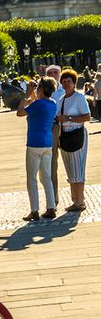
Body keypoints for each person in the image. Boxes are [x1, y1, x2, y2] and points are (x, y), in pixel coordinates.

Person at [16, 77, 58, 221]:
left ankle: (34, 210)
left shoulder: (38, 104)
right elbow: (37, 102)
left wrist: (27, 95)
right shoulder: (52, 103)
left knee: (32, 178)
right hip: (47, 144)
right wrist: (34, 93)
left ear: (41, 89)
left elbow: (20, 112)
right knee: (46, 177)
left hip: (34, 144)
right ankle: (51, 207)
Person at [57, 68, 91, 212]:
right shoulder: (61, 99)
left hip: (77, 134)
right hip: (64, 136)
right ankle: (74, 200)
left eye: (68, 81)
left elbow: (87, 117)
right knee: (70, 169)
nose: (66, 84)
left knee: (78, 168)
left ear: (74, 82)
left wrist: (69, 118)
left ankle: (80, 201)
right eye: (64, 82)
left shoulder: (79, 97)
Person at [45, 64, 65, 205]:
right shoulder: (43, 91)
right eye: (50, 72)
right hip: (51, 128)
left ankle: (77, 196)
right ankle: (54, 197)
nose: (53, 74)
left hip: (67, 128)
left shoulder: (66, 89)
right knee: (51, 166)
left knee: (71, 162)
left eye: (55, 72)